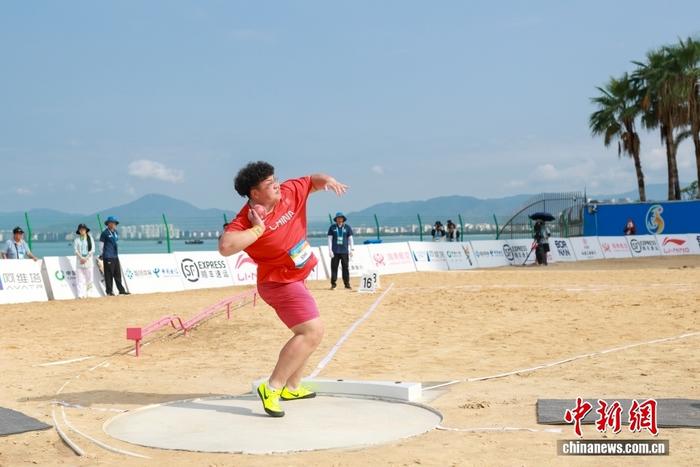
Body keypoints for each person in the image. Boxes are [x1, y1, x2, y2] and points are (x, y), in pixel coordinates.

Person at [218, 161, 348, 418]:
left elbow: (312, 180)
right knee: (312, 332)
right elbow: (226, 246)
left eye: (275, 179)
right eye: (269, 183)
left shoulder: (289, 191)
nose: (277, 185)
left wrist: (328, 180)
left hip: (297, 277)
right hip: (279, 283)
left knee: (306, 334)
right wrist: (258, 229)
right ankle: (273, 387)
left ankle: (292, 387)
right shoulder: (247, 219)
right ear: (255, 193)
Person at [99, 216, 129, 296]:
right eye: (111, 223)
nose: (113, 224)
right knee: (109, 275)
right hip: (108, 256)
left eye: (114, 223)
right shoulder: (105, 233)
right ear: (108, 224)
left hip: (115, 256)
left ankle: (121, 290)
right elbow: (101, 245)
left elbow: (116, 242)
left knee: (117, 274)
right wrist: (102, 254)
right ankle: (109, 291)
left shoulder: (115, 232)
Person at [328, 212, 354, 290]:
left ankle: (347, 284)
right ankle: (333, 284)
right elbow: (329, 239)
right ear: (336, 219)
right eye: (338, 218)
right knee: (334, 268)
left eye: (341, 218)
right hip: (335, 251)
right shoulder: (332, 227)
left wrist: (352, 249)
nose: (339, 219)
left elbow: (350, 239)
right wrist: (330, 250)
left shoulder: (347, 227)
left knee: (345, 268)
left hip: (344, 251)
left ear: (343, 219)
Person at [73, 223, 95, 299]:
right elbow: (75, 250)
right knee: (80, 279)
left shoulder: (90, 239)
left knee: (89, 279)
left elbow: (92, 250)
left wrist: (86, 258)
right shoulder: (76, 240)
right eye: (81, 229)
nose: (82, 230)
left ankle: (89, 293)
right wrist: (81, 258)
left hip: (89, 262)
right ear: (79, 231)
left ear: (86, 230)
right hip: (79, 262)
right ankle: (80, 294)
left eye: (83, 229)